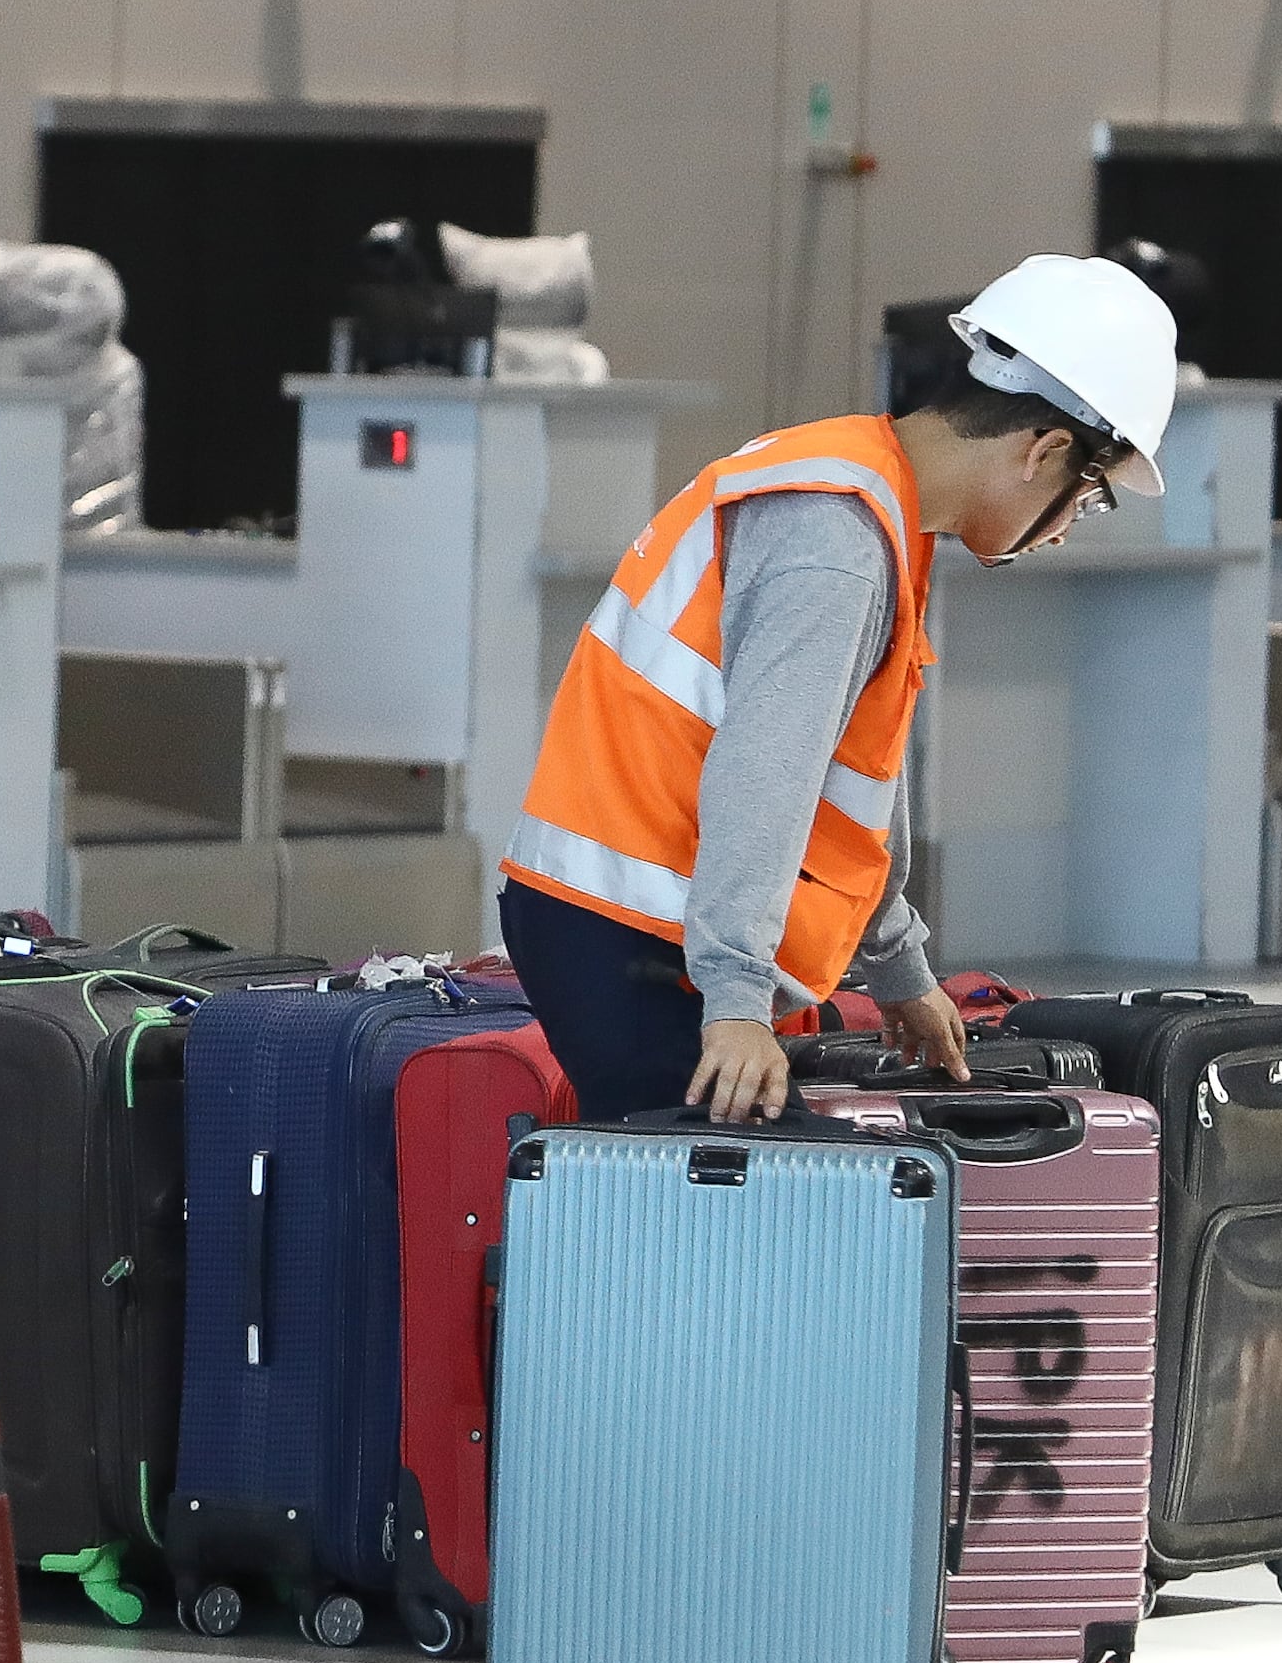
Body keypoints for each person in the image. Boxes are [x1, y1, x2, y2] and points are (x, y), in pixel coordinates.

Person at [495, 252, 1182, 1127]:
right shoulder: (839, 542)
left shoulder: (872, 499)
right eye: (1088, 496)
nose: (1063, 532)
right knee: (787, 1222)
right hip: (630, 931)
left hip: (645, 924)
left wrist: (898, 969)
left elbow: (848, 789)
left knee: (700, 1225)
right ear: (1042, 450)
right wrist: (739, 1001)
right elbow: (765, 774)